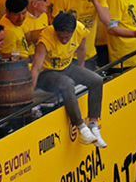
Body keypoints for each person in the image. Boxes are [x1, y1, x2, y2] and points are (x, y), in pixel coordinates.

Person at [29, 11, 107, 147]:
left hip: (67, 66)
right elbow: (36, 68)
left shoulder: (80, 29)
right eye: (61, 37)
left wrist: (81, 70)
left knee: (96, 80)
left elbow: (82, 49)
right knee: (67, 83)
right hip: (47, 73)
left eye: (67, 37)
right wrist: (30, 94)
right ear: (55, 31)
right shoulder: (45, 39)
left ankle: (93, 124)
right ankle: (81, 127)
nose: (64, 40)